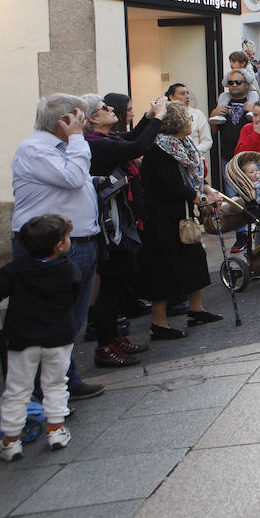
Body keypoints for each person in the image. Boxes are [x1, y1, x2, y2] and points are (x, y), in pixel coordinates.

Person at [11, 94, 105, 400]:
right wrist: (78, 139)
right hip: (49, 249)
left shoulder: (65, 147)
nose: (84, 122)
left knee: (71, 322)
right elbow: (72, 177)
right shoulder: (34, 149)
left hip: (78, 242)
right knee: (50, 322)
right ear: (63, 121)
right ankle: (44, 390)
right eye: (79, 117)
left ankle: (64, 380)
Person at [0, 214, 80, 460]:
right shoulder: (68, 268)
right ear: (59, 244)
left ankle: (11, 440)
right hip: (59, 337)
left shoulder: (17, 268)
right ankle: (56, 430)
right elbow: (74, 293)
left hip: (22, 338)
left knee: (17, 389)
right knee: (56, 383)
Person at [82, 93, 163, 368]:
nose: (110, 109)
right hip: (110, 223)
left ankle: (114, 337)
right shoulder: (94, 144)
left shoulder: (105, 140)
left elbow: (129, 140)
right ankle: (105, 346)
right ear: (93, 118)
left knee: (117, 285)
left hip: (120, 216)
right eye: (104, 108)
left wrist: (149, 118)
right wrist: (159, 119)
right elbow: (135, 147)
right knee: (111, 286)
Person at [138, 101, 222, 339]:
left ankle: (196, 310)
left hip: (182, 212)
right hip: (162, 216)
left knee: (194, 257)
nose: (191, 121)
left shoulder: (183, 144)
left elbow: (193, 175)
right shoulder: (159, 149)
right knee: (164, 267)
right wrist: (199, 198)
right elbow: (171, 184)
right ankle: (159, 323)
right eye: (187, 117)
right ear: (177, 121)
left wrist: (205, 189)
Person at [208, 70, 256, 173]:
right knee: (231, 189)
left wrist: (255, 112)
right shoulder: (223, 101)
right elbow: (213, 132)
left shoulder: (253, 101)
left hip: (251, 157)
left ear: (246, 85)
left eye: (238, 82)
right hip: (227, 157)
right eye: (230, 82)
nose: (234, 85)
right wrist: (213, 115)